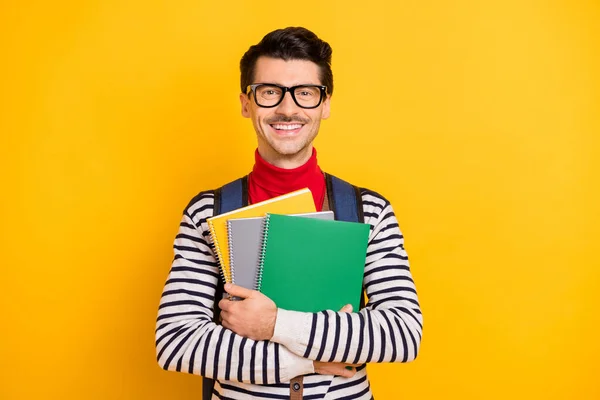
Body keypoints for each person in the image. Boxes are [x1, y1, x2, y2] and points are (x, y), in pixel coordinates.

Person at [155, 26, 423, 399]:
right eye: (269, 92)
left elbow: (401, 333)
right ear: (246, 102)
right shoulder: (207, 211)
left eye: (305, 93)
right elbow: (176, 342)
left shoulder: (369, 210)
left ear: (325, 104)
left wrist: (274, 323)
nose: (287, 108)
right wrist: (309, 361)